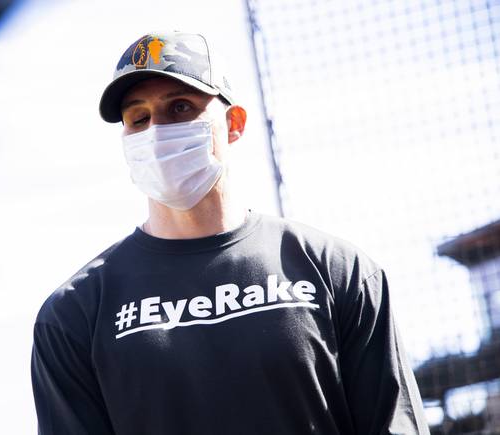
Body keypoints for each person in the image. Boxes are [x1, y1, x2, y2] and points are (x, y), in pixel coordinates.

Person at [30, 30, 429, 435]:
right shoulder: (76, 313)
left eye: (180, 107)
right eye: (139, 117)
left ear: (233, 123)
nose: (157, 132)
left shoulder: (335, 270)